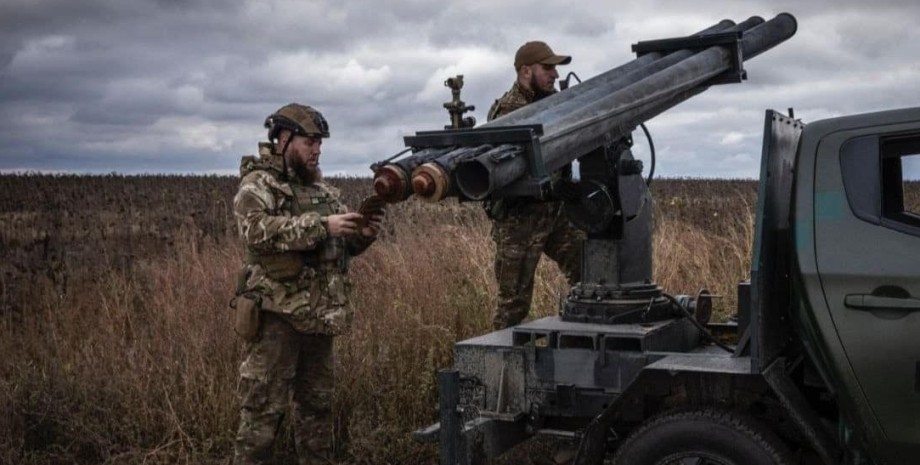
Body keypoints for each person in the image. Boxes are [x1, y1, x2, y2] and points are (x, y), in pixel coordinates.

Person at [231, 103, 382, 465]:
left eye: (319, 144)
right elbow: (255, 232)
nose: (317, 150)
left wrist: (362, 234)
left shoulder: (321, 191)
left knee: (317, 411)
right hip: (276, 319)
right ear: (283, 140)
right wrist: (322, 226)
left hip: (318, 318)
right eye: (309, 142)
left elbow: (338, 244)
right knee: (262, 415)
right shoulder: (257, 185)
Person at [487, 41, 586, 330]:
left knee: (590, 275)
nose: (555, 74)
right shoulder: (508, 110)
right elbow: (504, 168)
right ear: (525, 71)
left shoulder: (552, 102)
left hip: (555, 213)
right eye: (548, 67)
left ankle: (579, 336)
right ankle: (500, 367)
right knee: (513, 304)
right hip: (520, 220)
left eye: (555, 68)